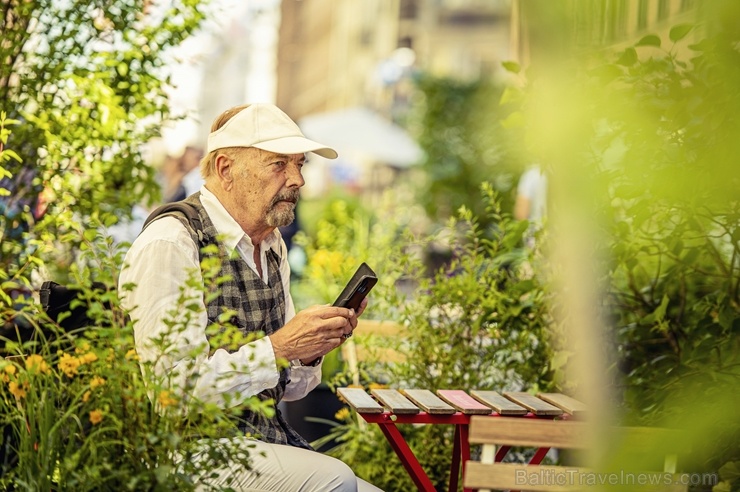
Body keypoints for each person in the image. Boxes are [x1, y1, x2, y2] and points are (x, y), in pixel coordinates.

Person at [118, 103, 382, 491]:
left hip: (258, 443)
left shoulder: (270, 243)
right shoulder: (172, 241)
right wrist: (279, 347)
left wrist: (310, 348)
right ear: (226, 168)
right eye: (279, 164)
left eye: (300, 164)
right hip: (182, 450)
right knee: (336, 480)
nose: (297, 180)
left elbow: (292, 389)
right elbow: (170, 392)